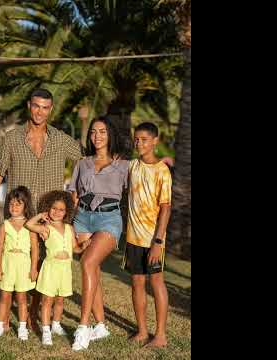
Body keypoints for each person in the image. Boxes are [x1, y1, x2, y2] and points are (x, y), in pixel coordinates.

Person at [0, 88, 83, 332]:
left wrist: (75, 193)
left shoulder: (60, 139)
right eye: (36, 106)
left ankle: (32, 316)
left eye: (45, 107)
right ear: (29, 105)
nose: (40, 111)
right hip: (19, 214)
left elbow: (85, 161)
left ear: (51, 109)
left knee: (41, 265)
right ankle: (5, 317)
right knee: (11, 260)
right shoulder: (12, 138)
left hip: (47, 216)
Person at [67, 115, 129, 350]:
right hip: (82, 218)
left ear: (110, 134)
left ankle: (83, 327)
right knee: (93, 269)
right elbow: (74, 194)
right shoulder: (82, 163)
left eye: (102, 131)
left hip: (109, 218)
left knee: (87, 262)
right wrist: (68, 223)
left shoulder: (123, 165)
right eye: (93, 132)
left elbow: (136, 192)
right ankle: (101, 326)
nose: (97, 136)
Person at [120, 122, 172, 348]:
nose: (139, 143)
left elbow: (166, 208)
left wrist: (158, 242)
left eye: (144, 139)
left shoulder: (162, 171)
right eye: (137, 139)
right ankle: (142, 331)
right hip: (133, 238)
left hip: (153, 240)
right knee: (137, 283)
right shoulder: (132, 166)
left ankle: (160, 335)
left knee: (157, 282)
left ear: (155, 141)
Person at [25, 191, 89, 345]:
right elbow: (28, 224)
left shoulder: (69, 228)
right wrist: (41, 215)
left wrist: (83, 246)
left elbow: (75, 248)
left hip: (65, 270)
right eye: (54, 208)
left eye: (61, 210)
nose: (57, 212)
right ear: (48, 208)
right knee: (47, 300)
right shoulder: (45, 227)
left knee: (60, 301)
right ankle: (46, 331)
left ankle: (56, 324)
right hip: (51, 269)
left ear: (66, 212)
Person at [0, 186, 39, 340]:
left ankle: (22, 328)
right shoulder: (5, 225)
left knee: (22, 298)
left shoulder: (30, 226)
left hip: (24, 266)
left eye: (18, 204)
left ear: (26, 206)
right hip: (7, 265)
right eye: (11, 204)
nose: (14, 207)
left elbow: (35, 249)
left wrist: (33, 269)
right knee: (4, 297)